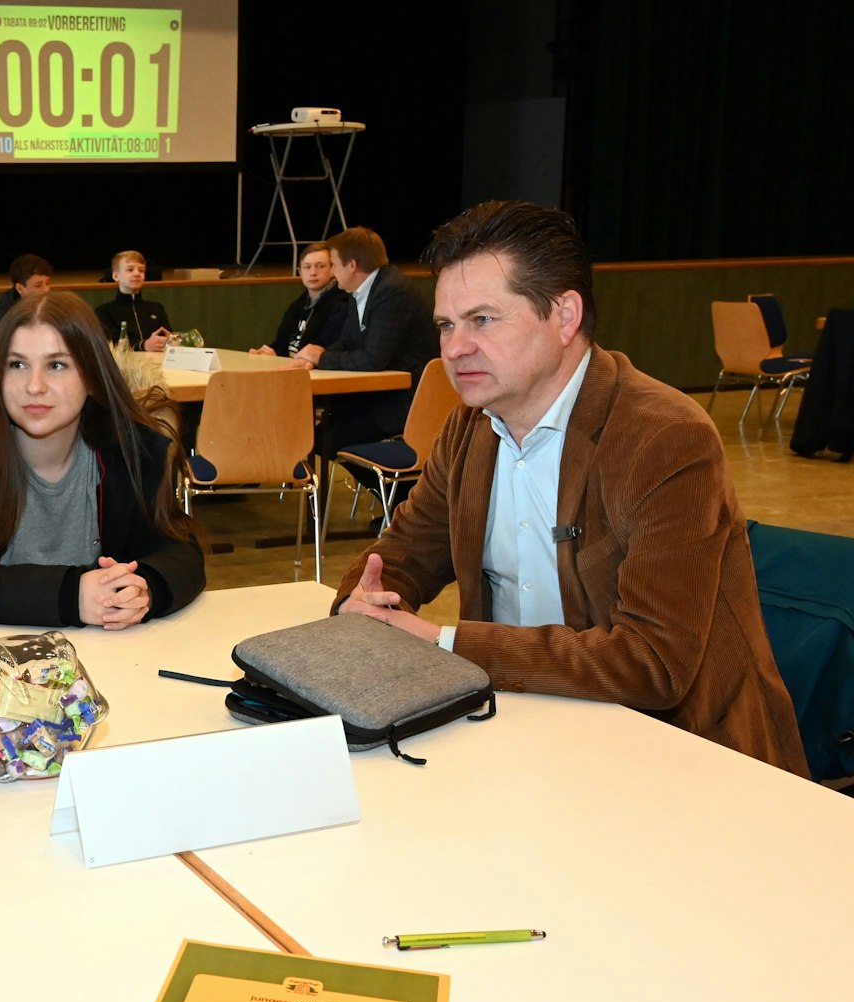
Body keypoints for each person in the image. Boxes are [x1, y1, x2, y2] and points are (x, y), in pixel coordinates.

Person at [331, 200, 808, 775]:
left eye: (482, 320)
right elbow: (403, 555)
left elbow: (653, 663)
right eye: (446, 325)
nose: (455, 348)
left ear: (564, 316)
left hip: (678, 758)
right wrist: (367, 604)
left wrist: (443, 644)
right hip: (523, 737)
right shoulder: (468, 428)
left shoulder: (665, 438)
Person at [0, 290, 205, 626]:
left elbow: (183, 551)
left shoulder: (129, 447)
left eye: (57, 365)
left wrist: (145, 588)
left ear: (92, 377)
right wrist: (70, 595)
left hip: (105, 659)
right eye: (17, 364)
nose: (35, 386)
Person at [298, 226, 440, 452]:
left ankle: (406, 488)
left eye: (333, 264)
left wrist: (322, 358)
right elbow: (348, 343)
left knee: (323, 440)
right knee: (312, 433)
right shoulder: (361, 290)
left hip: (403, 403)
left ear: (352, 265)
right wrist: (312, 359)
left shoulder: (392, 292)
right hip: (378, 397)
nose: (332, 273)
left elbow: (373, 360)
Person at [250, 241, 351, 361]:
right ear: (300, 272)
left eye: (320, 266)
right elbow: (281, 344)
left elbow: (327, 351)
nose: (313, 273)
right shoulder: (297, 305)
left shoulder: (341, 305)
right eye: (307, 267)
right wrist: (268, 353)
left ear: (332, 270)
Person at [95, 249, 173, 352]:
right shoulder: (104, 312)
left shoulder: (156, 308)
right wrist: (143, 345)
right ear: (115, 276)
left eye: (141, 270)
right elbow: (110, 343)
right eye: (130, 269)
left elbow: (167, 337)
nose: (137, 274)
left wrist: (169, 340)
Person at [0, 252, 52, 327]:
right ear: (20, 289)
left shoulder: (53, 305)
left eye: (47, 283)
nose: (46, 290)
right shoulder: (7, 310)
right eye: (38, 285)